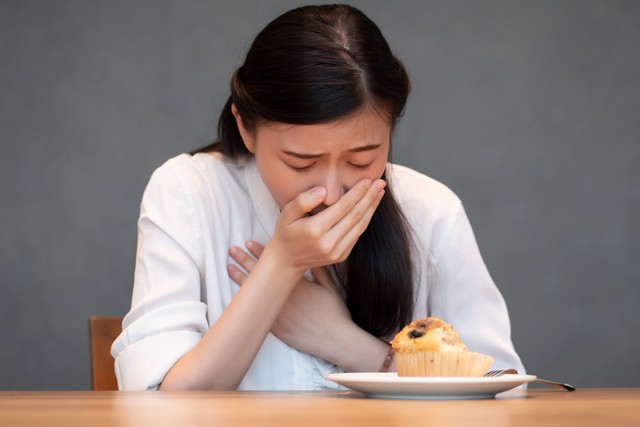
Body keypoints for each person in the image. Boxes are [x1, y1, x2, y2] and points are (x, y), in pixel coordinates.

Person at [111, 4, 525, 391]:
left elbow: (501, 392)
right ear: (245, 127)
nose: (329, 192)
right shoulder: (188, 193)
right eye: (301, 163)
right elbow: (156, 403)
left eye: (362, 160)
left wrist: (343, 342)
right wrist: (281, 265)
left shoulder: (431, 210)